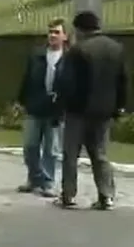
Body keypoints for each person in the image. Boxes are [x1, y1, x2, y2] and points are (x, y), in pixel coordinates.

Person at [55, 11, 128, 210]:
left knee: (71, 154)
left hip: (78, 110)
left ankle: (68, 195)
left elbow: (67, 83)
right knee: (100, 154)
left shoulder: (78, 51)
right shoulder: (116, 49)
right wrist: (119, 106)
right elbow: (122, 81)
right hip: (104, 111)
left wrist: (61, 107)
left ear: (79, 29)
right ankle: (107, 195)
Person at [16, 18, 68, 197]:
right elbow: (26, 79)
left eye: (57, 32)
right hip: (35, 106)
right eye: (50, 32)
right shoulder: (37, 56)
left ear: (65, 36)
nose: (52, 35)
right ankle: (34, 178)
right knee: (30, 145)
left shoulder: (69, 59)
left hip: (56, 110)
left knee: (51, 149)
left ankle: (47, 182)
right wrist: (22, 100)